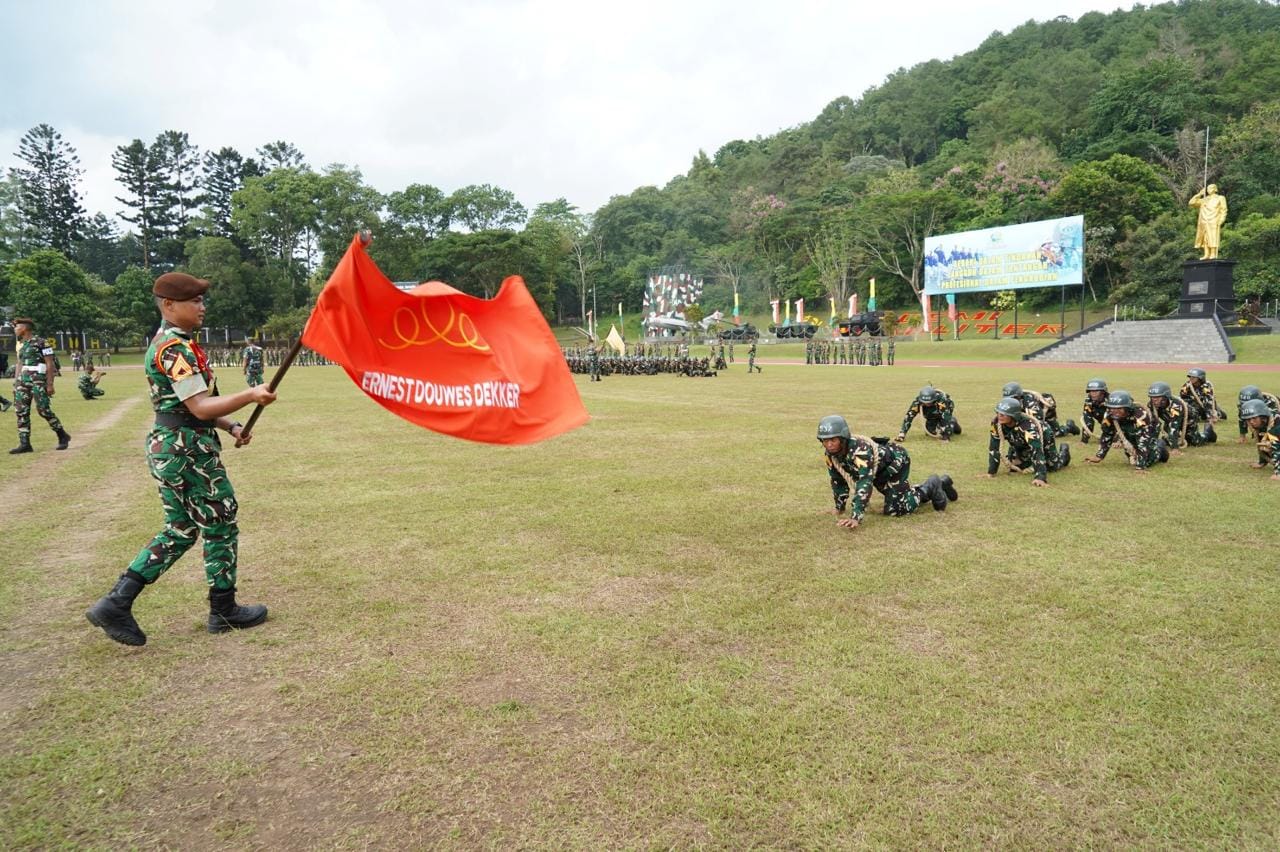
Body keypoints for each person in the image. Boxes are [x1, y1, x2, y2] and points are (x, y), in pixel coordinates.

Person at [86, 272, 278, 647]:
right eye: (195, 301)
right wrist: (250, 395)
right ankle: (223, 609)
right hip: (186, 449)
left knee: (181, 529)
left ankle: (117, 602)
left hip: (176, 443)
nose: (202, 307)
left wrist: (232, 425)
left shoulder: (177, 344)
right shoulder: (174, 348)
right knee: (220, 521)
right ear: (169, 305)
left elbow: (198, 407)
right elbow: (200, 406)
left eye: (203, 301)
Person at [817, 414, 954, 530]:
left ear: (842, 438)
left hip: (895, 465)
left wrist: (856, 517)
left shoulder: (861, 451)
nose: (829, 444)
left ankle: (932, 485)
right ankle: (942, 483)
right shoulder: (831, 455)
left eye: (833, 440)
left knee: (896, 509)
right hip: (877, 472)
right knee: (899, 499)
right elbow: (838, 481)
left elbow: (865, 482)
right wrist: (839, 508)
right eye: (825, 440)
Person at [8, 318, 70, 454]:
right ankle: (25, 444)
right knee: (21, 411)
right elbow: (19, 364)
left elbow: (50, 363)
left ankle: (62, 435)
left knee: (43, 409)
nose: (15, 329)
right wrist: (16, 383)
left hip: (38, 379)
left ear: (25, 328)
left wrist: (50, 384)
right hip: (22, 381)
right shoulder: (22, 345)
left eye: (16, 327)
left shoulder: (42, 342)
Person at [986, 397, 1067, 487]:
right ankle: (1025, 460)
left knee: (1052, 466)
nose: (999, 415)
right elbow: (994, 447)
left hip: (1043, 438)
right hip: (1019, 441)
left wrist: (1040, 477)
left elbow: (1037, 450)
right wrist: (991, 472)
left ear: (1013, 415)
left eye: (1004, 414)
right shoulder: (996, 423)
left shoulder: (1028, 427)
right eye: (998, 412)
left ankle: (1064, 453)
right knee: (1019, 466)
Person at [1084, 390, 1168, 472]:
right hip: (1127, 427)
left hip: (1150, 428)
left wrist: (1140, 467)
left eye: (1119, 409)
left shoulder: (1140, 414)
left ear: (1127, 408)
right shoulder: (1110, 414)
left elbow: (1143, 442)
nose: (1115, 412)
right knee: (1132, 452)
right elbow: (1107, 435)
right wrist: (1099, 456)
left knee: (1147, 461)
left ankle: (1160, 449)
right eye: (1112, 408)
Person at [1001, 380, 1078, 438]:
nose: (1010, 400)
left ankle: (1069, 427)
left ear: (1018, 396)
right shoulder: (1014, 400)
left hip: (1046, 417)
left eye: (1013, 398)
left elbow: (1037, 423)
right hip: (1037, 416)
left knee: (1053, 434)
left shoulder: (1031, 404)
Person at [1147, 381, 1204, 451]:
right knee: (1167, 440)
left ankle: (1208, 433)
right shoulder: (1151, 405)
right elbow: (1154, 424)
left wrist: (1174, 448)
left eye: (1158, 397)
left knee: (1194, 441)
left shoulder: (1176, 406)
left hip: (1188, 420)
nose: (1154, 400)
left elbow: (1174, 427)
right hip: (1169, 419)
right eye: (1152, 397)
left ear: (1165, 397)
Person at [897, 385, 961, 442]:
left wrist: (945, 437)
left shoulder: (942, 400)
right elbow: (908, 417)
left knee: (945, 429)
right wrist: (902, 434)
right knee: (930, 432)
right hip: (931, 415)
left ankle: (953, 423)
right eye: (925, 403)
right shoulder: (917, 402)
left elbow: (945, 418)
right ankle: (937, 424)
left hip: (944, 411)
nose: (927, 404)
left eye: (929, 403)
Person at [1240, 398, 1280, 480]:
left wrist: (1278, 473)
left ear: (1263, 417)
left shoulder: (1276, 426)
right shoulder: (1264, 423)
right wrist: (1262, 461)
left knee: (1273, 444)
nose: (1251, 422)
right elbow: (1262, 441)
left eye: (1254, 418)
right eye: (1249, 419)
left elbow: (1277, 448)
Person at [1179, 368, 1221, 443]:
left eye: (1193, 377)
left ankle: (1219, 412)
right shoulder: (1187, 385)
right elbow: (1182, 398)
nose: (1191, 378)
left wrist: (1210, 417)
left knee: (1219, 414)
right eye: (1190, 377)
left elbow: (1209, 402)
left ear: (1200, 378)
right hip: (1194, 406)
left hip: (1206, 406)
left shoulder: (1206, 386)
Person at [1189, 184, 1228, 260]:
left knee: (1212, 237)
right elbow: (1191, 203)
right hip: (1203, 221)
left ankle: (1213, 253)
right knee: (1205, 238)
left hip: (1213, 220)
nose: (1208, 190)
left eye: (1210, 188)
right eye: (1207, 188)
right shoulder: (1204, 199)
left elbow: (1224, 210)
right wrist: (1199, 194)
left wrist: (1221, 219)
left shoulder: (1220, 198)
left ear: (1215, 189)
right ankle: (1206, 254)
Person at [1080, 378, 1109, 445]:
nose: (1093, 394)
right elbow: (1087, 420)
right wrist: (1084, 441)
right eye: (1091, 391)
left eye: (1096, 391)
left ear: (1103, 392)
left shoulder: (1111, 401)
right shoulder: (1088, 401)